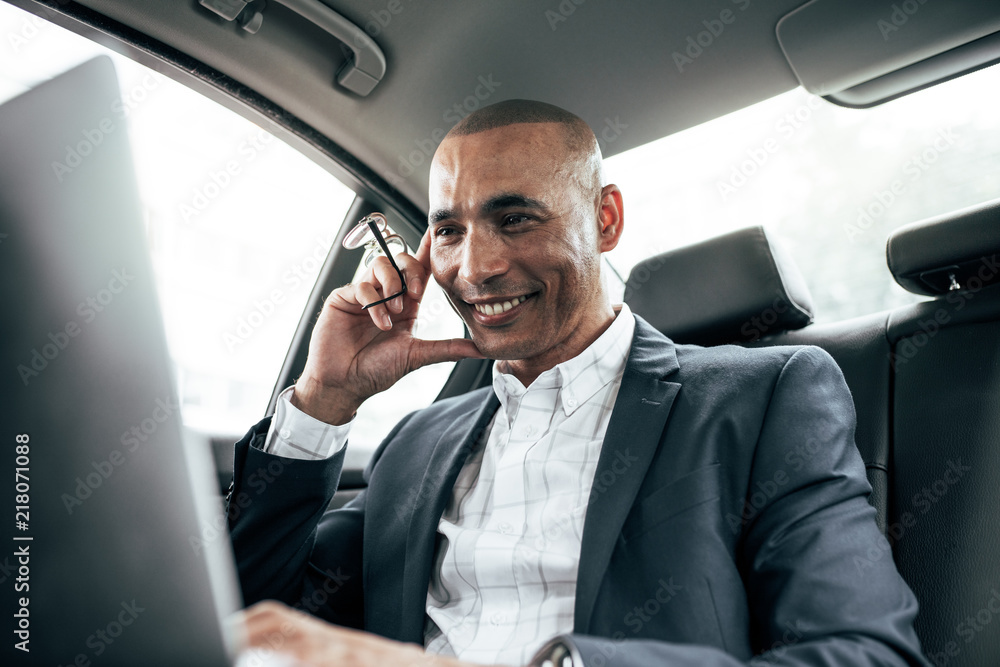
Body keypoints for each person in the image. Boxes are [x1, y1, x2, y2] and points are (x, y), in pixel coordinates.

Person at [228, 100, 928, 667]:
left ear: (607, 218)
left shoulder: (763, 398)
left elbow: (866, 653)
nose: (475, 268)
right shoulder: (416, 444)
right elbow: (258, 622)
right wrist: (324, 398)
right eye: (447, 231)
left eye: (515, 218)